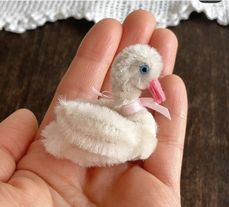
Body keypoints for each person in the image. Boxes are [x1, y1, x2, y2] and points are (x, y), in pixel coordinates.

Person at [0, 10, 187, 207]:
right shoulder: (128, 134)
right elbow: (72, 116)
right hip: (65, 142)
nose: (154, 82)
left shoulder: (128, 123)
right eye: (145, 70)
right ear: (128, 71)